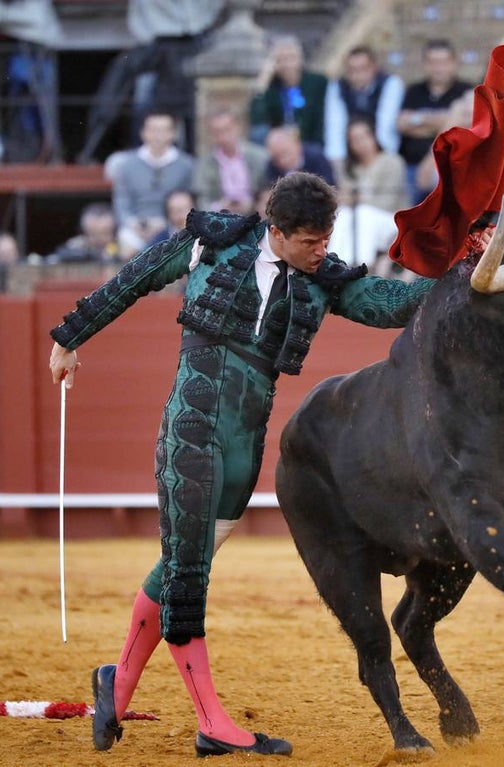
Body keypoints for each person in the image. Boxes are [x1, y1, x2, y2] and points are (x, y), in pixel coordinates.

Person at [46, 172, 448, 758]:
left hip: (246, 444)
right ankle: (212, 723)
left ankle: (116, 682)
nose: (322, 251)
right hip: (192, 429)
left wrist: (456, 277)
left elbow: (389, 304)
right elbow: (135, 278)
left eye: (326, 239)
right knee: (189, 576)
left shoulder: (322, 279)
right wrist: (69, 337)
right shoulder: (214, 243)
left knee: (183, 564)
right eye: (310, 241)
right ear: (276, 232)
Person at [396, 39, 474, 205]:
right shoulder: (413, 91)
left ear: (454, 63)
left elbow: (465, 125)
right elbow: (402, 124)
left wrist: (419, 120)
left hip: (450, 166)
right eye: (432, 62)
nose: (438, 68)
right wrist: (448, 120)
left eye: (443, 62)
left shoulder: (466, 91)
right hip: (411, 166)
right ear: (424, 64)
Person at [111, 111, 196, 260]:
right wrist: (134, 225)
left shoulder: (186, 165)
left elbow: (190, 202)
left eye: (163, 130)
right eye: (153, 130)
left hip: (173, 226)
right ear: (143, 133)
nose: (158, 136)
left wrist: (167, 223)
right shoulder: (126, 165)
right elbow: (121, 201)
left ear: (172, 134)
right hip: (136, 228)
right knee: (126, 246)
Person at [323, 45, 405, 162]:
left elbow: (386, 125)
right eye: (352, 70)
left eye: (363, 68)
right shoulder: (338, 87)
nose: (358, 75)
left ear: (374, 67)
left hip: (382, 152)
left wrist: (382, 158)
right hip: (351, 152)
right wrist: (337, 160)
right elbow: (335, 125)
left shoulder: (390, 84)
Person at [248, 35, 327, 148]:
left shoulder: (317, 82)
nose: (286, 65)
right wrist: (263, 81)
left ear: (300, 59)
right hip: (281, 145)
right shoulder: (272, 88)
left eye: (291, 58)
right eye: (280, 60)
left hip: (310, 142)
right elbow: (257, 119)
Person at [192, 108, 268, 216]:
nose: (223, 136)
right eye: (217, 132)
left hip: (256, 213)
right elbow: (202, 199)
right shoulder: (204, 164)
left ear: (237, 127)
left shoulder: (260, 157)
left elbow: (269, 188)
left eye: (227, 129)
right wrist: (219, 206)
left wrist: (254, 203)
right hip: (220, 217)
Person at [335, 117, 407, 214]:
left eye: (362, 137)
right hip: (355, 216)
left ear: (373, 136)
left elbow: (388, 201)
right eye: (354, 140)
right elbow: (344, 198)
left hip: (390, 215)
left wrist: (357, 200)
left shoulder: (393, 162)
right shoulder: (348, 167)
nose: (359, 143)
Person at [264, 124, 336, 187]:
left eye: (285, 153)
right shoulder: (272, 165)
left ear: (297, 144)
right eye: (277, 158)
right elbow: (268, 191)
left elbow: (330, 186)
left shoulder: (316, 158)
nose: (282, 161)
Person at [48, 203, 120, 263]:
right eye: (93, 234)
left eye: (105, 233)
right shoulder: (77, 245)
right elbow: (55, 258)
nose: (99, 239)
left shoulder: (121, 248)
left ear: (114, 231)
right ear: (84, 232)